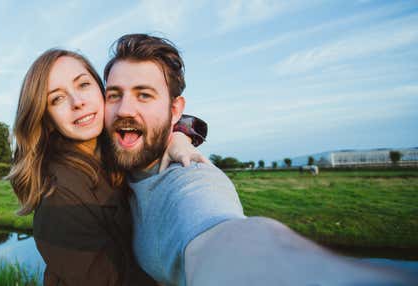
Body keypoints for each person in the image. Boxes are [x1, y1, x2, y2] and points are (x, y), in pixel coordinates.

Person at [102, 33, 417, 286]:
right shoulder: (102, 156)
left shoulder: (191, 179)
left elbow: (225, 239)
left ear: (174, 110)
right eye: (114, 94)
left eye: (144, 95)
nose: (125, 109)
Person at [7, 49, 206, 285]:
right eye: (57, 98)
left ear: (102, 91)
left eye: (83, 85)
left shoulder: (115, 142)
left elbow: (158, 118)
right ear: (47, 118)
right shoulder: (59, 198)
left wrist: (178, 136)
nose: (77, 102)